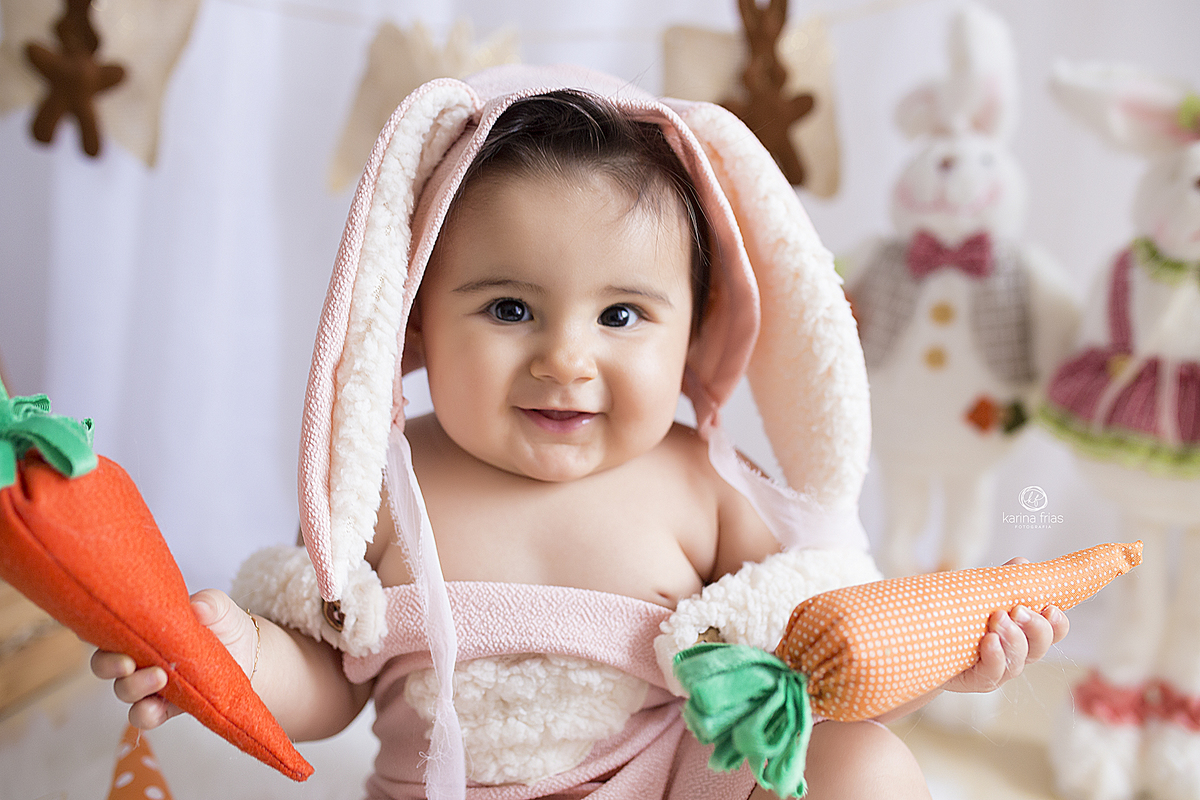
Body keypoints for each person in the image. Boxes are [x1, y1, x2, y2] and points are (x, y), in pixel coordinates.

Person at [92, 69, 1068, 800]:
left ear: (697, 331)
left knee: (861, 762)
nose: (566, 358)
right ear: (417, 320)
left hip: (670, 781)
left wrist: (941, 662)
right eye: (511, 308)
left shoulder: (702, 481)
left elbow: (813, 675)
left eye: (620, 315)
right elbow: (327, 683)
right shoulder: (389, 484)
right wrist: (235, 652)